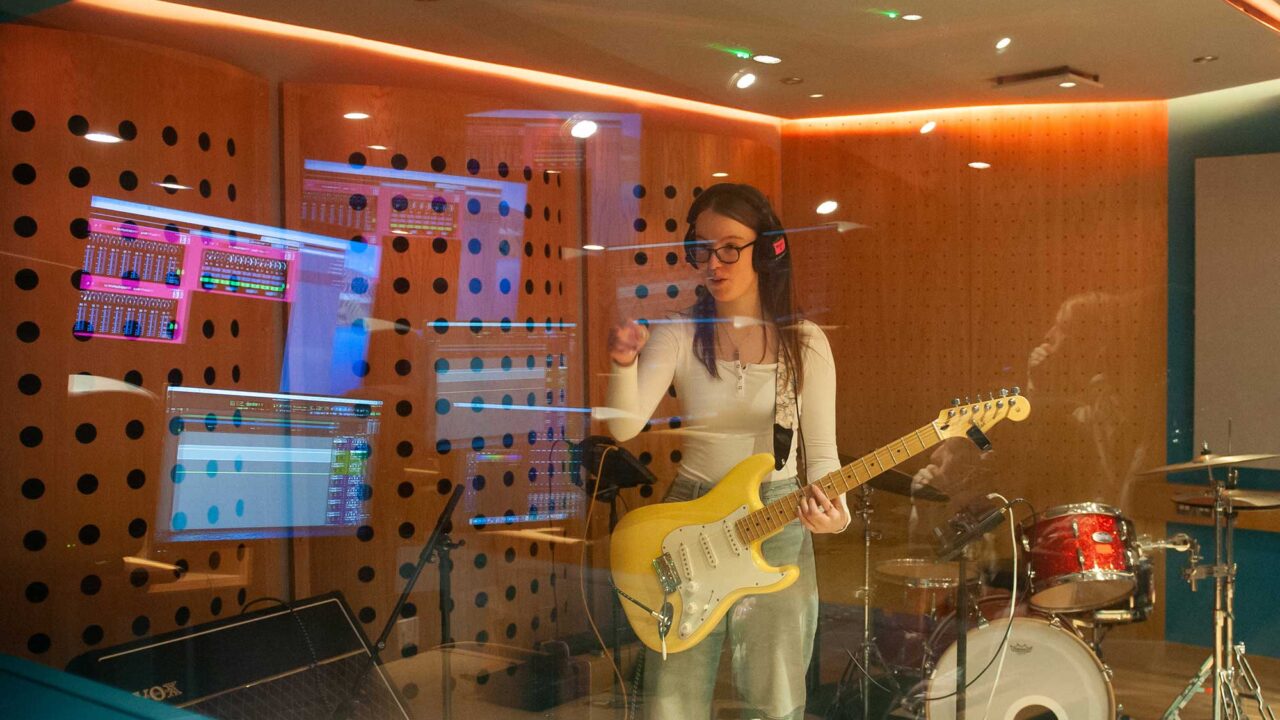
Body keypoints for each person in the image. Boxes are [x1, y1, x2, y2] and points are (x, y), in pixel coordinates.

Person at [603, 183, 845, 720]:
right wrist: (622, 364)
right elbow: (623, 427)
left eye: (729, 247)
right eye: (703, 249)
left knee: (776, 693)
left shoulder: (804, 342)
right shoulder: (679, 332)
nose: (713, 262)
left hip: (778, 519)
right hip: (689, 514)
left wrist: (834, 514)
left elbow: (821, 455)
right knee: (672, 695)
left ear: (768, 249)